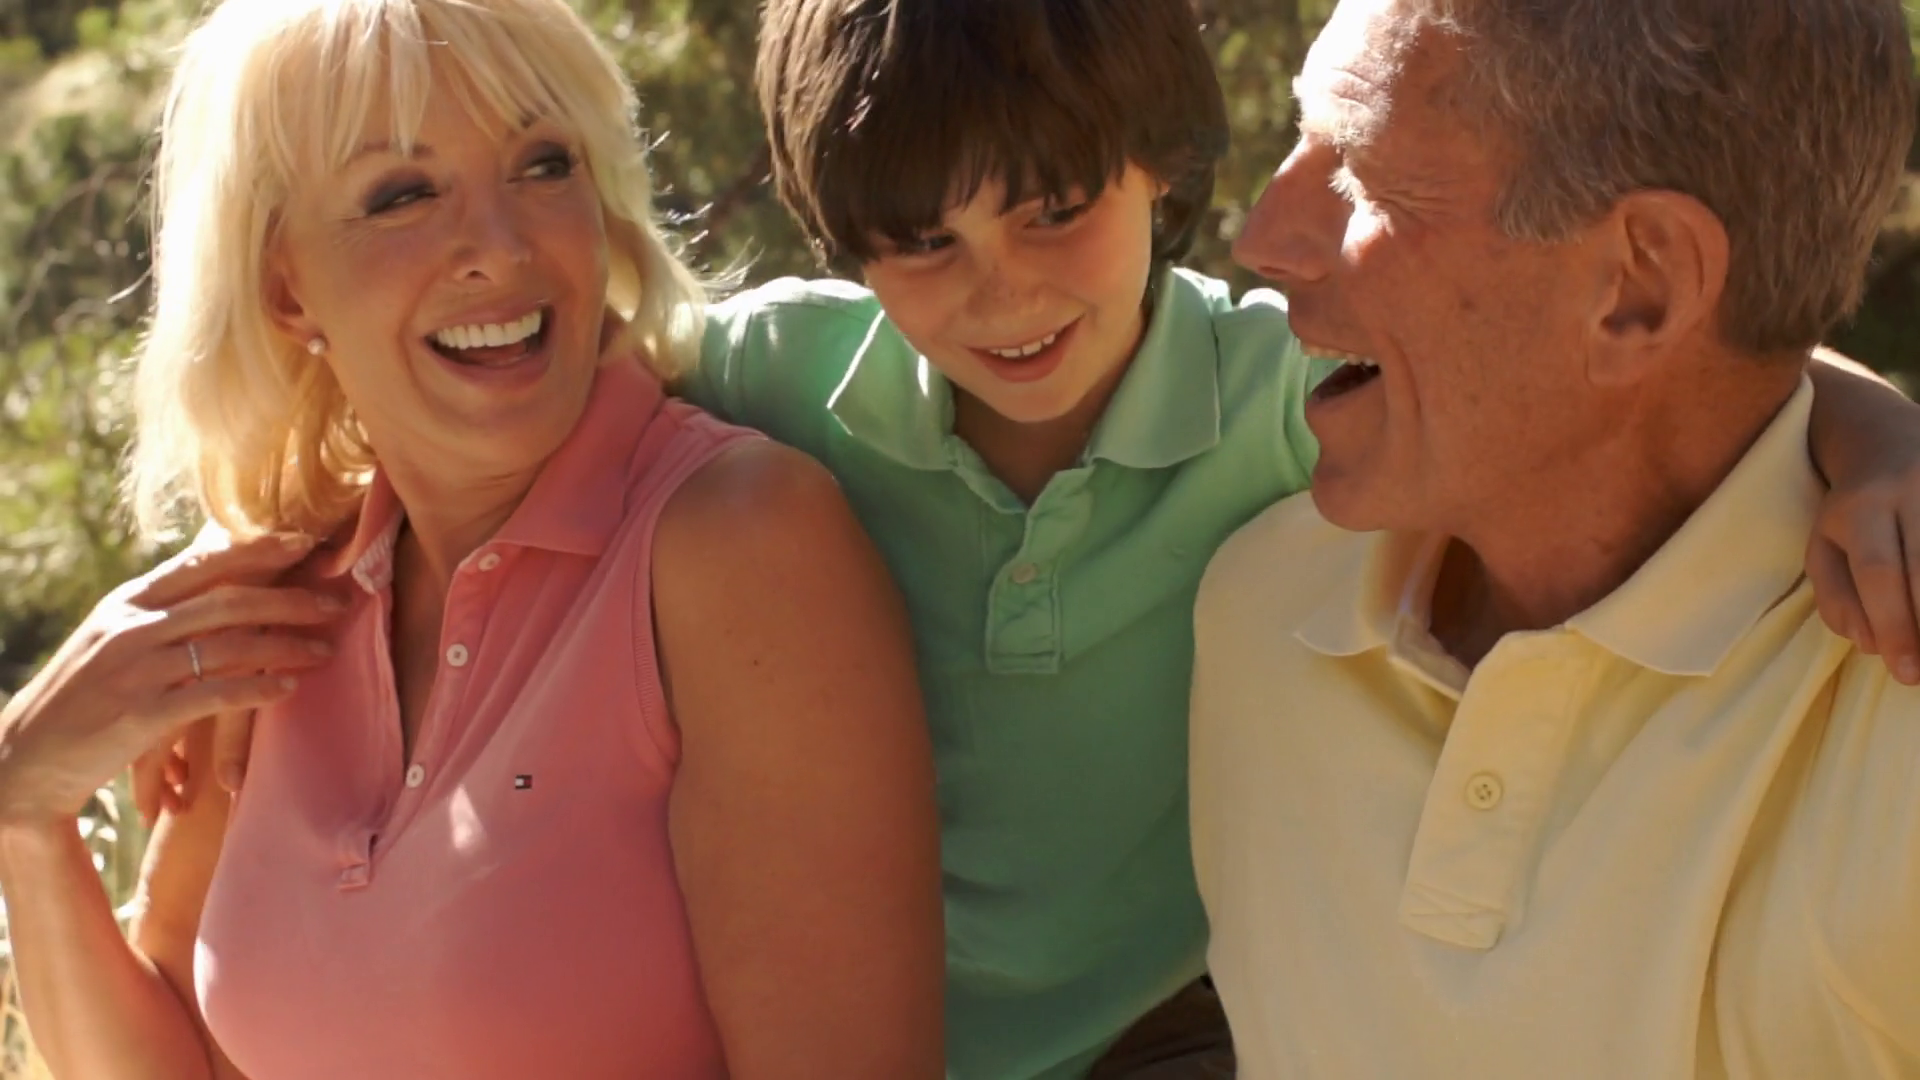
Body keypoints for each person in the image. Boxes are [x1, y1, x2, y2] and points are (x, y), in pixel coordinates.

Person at [145, 1, 1920, 1076]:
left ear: (1157, 174)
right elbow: (468, 394)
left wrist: (1873, 425)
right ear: (846, 248)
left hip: (1168, 1035)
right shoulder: (771, 379)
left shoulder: (1283, 396)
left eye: (1057, 212)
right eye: (920, 246)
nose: (999, 294)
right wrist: (253, 609)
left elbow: (1650, 346)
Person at [0, 1, 944, 1078]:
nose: (501, 247)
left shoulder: (738, 545)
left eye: (545, 165)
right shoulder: (277, 599)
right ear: (284, 286)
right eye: (402, 194)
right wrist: (25, 810)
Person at [1190, 0, 1919, 1074]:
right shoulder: (1258, 611)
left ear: (1640, 286)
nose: (1261, 240)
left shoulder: (1894, 740)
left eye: (1362, 183)